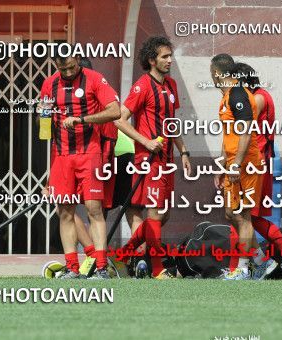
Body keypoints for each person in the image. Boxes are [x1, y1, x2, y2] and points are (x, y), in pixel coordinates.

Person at [39, 52, 121, 279]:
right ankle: (72, 268)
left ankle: (102, 267)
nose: (67, 73)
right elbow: (43, 124)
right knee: (64, 212)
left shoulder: (94, 78)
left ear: (77, 59)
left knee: (94, 210)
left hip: (89, 153)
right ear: (55, 65)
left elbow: (115, 111)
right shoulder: (49, 84)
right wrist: (43, 115)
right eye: (62, 69)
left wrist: (82, 119)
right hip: (62, 155)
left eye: (71, 68)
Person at [115, 36, 191, 279]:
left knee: (163, 214)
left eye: (170, 56)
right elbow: (119, 118)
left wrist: (184, 150)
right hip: (148, 160)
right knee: (156, 213)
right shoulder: (142, 86)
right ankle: (158, 270)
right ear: (152, 60)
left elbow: (171, 124)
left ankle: (124, 254)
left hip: (167, 160)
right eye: (165, 57)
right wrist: (145, 141)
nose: (170, 60)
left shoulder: (171, 86)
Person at [234, 62, 282, 280]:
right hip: (256, 164)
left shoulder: (257, 98)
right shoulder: (258, 96)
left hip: (256, 165)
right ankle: (268, 260)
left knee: (243, 216)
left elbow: (242, 130)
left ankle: (265, 261)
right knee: (247, 218)